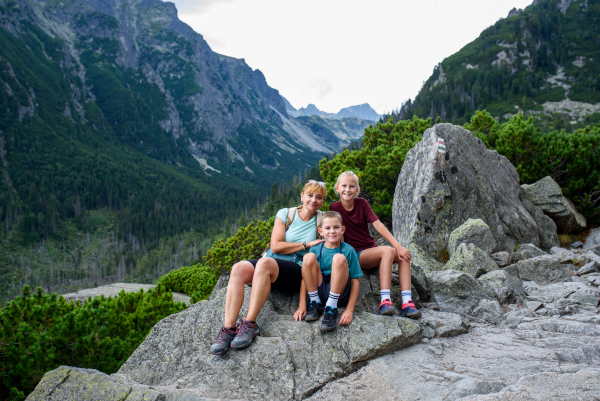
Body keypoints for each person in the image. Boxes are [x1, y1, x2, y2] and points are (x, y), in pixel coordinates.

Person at [209, 181, 326, 355]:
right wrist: (307, 244)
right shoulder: (286, 214)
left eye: (319, 197)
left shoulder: (322, 218)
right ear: (302, 196)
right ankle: (229, 328)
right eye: (310, 195)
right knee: (238, 268)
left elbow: (336, 234)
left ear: (323, 201)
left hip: (295, 268)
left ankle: (249, 324)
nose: (313, 200)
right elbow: (276, 246)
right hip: (272, 261)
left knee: (264, 263)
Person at [329, 171, 421, 319]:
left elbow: (378, 225)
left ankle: (407, 302)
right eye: (344, 186)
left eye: (352, 186)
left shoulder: (362, 203)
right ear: (337, 188)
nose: (348, 189)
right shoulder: (334, 207)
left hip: (372, 250)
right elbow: (335, 233)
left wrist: (398, 247)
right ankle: (385, 301)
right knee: (387, 251)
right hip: (356, 254)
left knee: (404, 256)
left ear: (357, 190)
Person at [293, 211, 363, 332]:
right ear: (321, 231)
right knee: (308, 258)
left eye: (336, 227)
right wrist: (301, 305)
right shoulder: (315, 249)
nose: (332, 231)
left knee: (339, 257)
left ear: (343, 229)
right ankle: (314, 303)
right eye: (327, 228)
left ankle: (331, 308)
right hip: (318, 290)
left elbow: (355, 281)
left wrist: (349, 309)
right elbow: (305, 279)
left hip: (339, 293)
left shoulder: (348, 250)